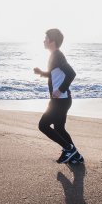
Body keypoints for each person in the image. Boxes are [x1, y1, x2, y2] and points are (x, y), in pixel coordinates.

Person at [33, 28, 82, 164]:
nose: (44, 41)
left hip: (60, 100)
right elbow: (54, 73)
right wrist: (41, 73)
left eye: (46, 39)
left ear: (52, 42)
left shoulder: (58, 56)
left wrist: (60, 90)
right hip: (61, 100)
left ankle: (69, 149)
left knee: (43, 125)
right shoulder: (54, 56)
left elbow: (71, 73)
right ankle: (76, 156)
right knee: (59, 128)